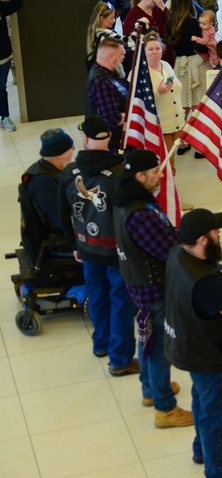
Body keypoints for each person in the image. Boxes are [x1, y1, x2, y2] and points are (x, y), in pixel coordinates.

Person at [112, 149, 192, 425]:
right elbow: (168, 250)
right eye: (156, 171)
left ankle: (149, 388)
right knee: (160, 348)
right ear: (140, 176)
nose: (161, 175)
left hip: (138, 284)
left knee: (146, 340)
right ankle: (165, 407)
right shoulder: (140, 215)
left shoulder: (127, 201)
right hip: (154, 289)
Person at [164, 209, 222, 478]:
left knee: (201, 399)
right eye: (215, 231)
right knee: (216, 416)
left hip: (189, 346)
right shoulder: (208, 283)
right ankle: (218, 474)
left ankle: (202, 448)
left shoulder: (178, 254)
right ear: (203, 240)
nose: (219, 233)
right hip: (213, 356)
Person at [58, 116, 135, 366]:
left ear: (85, 139)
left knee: (97, 295)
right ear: (109, 137)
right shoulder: (122, 171)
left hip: (87, 247)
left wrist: (74, 245)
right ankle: (120, 357)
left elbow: (63, 213)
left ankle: (101, 343)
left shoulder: (70, 172)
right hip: (116, 251)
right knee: (121, 301)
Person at [20, 128, 75, 265]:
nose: (73, 152)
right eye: (71, 148)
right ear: (60, 155)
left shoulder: (47, 170)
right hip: (53, 244)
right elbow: (61, 220)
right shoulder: (43, 182)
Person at [165, 0, 208, 124]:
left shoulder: (169, 23)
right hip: (196, 64)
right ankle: (199, 133)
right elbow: (200, 47)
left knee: (183, 103)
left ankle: (180, 136)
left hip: (179, 64)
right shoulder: (192, 22)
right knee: (200, 103)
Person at [143, 35, 184, 160]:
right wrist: (157, 92)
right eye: (150, 49)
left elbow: (176, 90)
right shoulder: (139, 72)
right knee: (167, 164)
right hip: (160, 127)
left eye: (158, 48)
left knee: (172, 164)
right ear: (143, 52)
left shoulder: (166, 65)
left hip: (177, 124)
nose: (155, 51)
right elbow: (135, 101)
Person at [84, 38, 128, 151]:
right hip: (113, 146)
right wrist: (136, 114)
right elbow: (112, 118)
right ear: (112, 56)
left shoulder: (111, 74)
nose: (124, 57)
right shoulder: (101, 83)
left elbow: (128, 88)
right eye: (122, 54)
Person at [0, 0, 23, 131]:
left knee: (1, 88)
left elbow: (18, 4)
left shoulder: (1, 7)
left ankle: (5, 117)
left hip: (3, 56)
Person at [86, 2, 120, 70]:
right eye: (111, 18)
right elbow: (129, 43)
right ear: (102, 19)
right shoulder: (105, 37)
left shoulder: (96, 34)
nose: (114, 21)